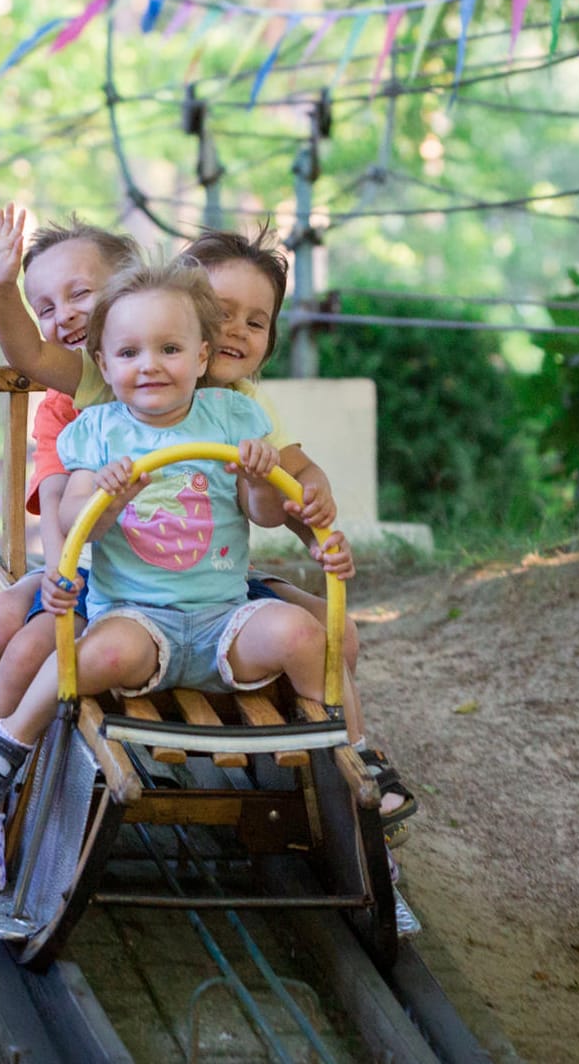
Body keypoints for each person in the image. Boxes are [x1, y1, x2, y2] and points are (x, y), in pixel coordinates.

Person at [0, 258, 319, 891]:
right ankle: (3, 747)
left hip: (225, 616)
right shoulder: (97, 430)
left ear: (201, 356)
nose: (149, 364)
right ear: (105, 364)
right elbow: (78, 524)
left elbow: (264, 514)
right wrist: (108, 499)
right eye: (130, 353)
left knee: (307, 633)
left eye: (169, 349)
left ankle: (347, 760)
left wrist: (258, 477)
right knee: (94, 650)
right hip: (141, 618)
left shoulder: (233, 417)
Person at [0, 212, 138, 849]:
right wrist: (0, 289)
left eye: (79, 294)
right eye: (44, 305)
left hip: (133, 584)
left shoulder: (170, 384)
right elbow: (29, 357)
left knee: (26, 645)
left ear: (132, 289)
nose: (62, 314)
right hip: (77, 567)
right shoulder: (71, 400)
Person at [179, 227, 416, 835]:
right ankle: (341, 764)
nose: (236, 329)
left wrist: (317, 509)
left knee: (342, 632)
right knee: (311, 634)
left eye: (256, 323)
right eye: (221, 312)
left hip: (226, 585)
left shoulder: (247, 410)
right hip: (156, 590)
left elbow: (292, 481)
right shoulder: (137, 390)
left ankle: (341, 783)